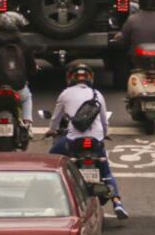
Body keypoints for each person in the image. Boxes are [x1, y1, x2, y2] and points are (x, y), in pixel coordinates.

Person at [46, 64, 128, 219]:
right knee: (106, 170)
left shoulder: (65, 94)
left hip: (72, 141)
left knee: (51, 158)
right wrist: (103, 135)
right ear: (90, 78)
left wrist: (51, 130)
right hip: (95, 141)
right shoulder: (97, 94)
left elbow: (55, 118)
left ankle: (52, 197)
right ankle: (117, 203)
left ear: (70, 78)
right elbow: (104, 121)